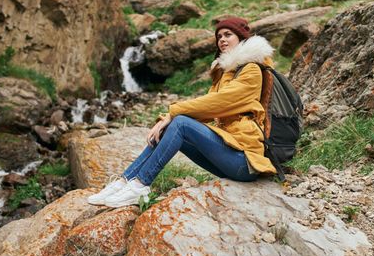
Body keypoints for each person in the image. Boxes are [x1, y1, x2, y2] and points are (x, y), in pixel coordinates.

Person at [87, 17, 277, 208]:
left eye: (228, 35)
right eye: (219, 36)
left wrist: (172, 114)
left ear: (242, 38)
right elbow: (206, 111)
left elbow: (217, 103)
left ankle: (140, 186)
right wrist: (166, 121)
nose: (222, 40)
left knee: (180, 123)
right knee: (172, 126)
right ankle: (124, 182)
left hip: (244, 161)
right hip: (229, 154)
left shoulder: (251, 70)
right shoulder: (227, 72)